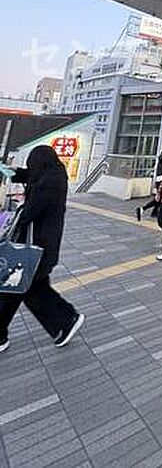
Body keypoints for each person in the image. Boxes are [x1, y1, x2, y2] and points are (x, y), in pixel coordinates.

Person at [0, 145, 85, 352]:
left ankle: (67, 319)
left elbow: (30, 212)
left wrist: (13, 211)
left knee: (22, 288)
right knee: (17, 288)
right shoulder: (52, 174)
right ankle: (66, 320)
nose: (31, 168)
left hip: (37, 248)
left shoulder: (49, 183)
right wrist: (11, 172)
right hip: (39, 247)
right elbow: (30, 175)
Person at [136, 140, 162, 221]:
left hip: (159, 178)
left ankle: (154, 212)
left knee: (160, 197)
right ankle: (143, 208)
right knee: (160, 197)